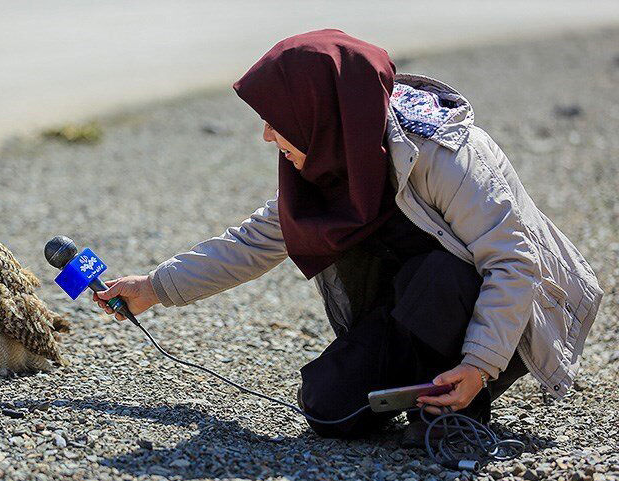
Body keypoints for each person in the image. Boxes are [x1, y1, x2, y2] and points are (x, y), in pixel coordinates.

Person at [91, 30, 603, 440]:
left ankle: (461, 402)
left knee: (440, 275)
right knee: (328, 409)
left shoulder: (446, 153)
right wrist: (154, 288)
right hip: (408, 309)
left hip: (502, 322)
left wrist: (479, 365)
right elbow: (254, 240)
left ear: (320, 114)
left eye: (277, 121)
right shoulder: (334, 156)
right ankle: (422, 388)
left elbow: (514, 263)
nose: (267, 135)